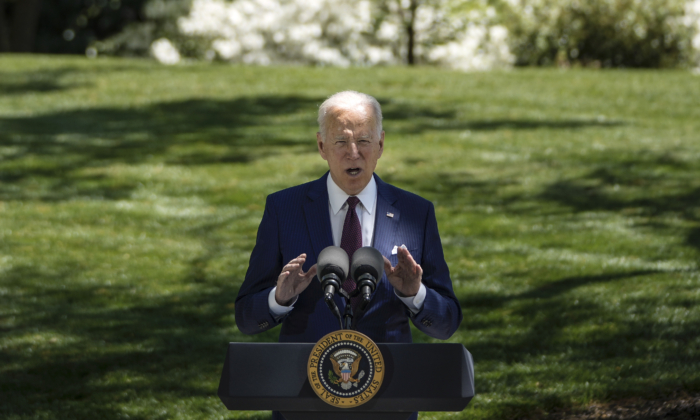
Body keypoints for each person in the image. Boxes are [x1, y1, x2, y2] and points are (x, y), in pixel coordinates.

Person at [235, 90, 461, 343]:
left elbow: (447, 323)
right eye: (341, 142)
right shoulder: (283, 208)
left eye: (364, 141)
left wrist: (415, 294)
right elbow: (246, 319)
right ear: (322, 146)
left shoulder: (416, 212)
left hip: (389, 377)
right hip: (305, 375)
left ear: (381, 144)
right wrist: (279, 298)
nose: (353, 153)